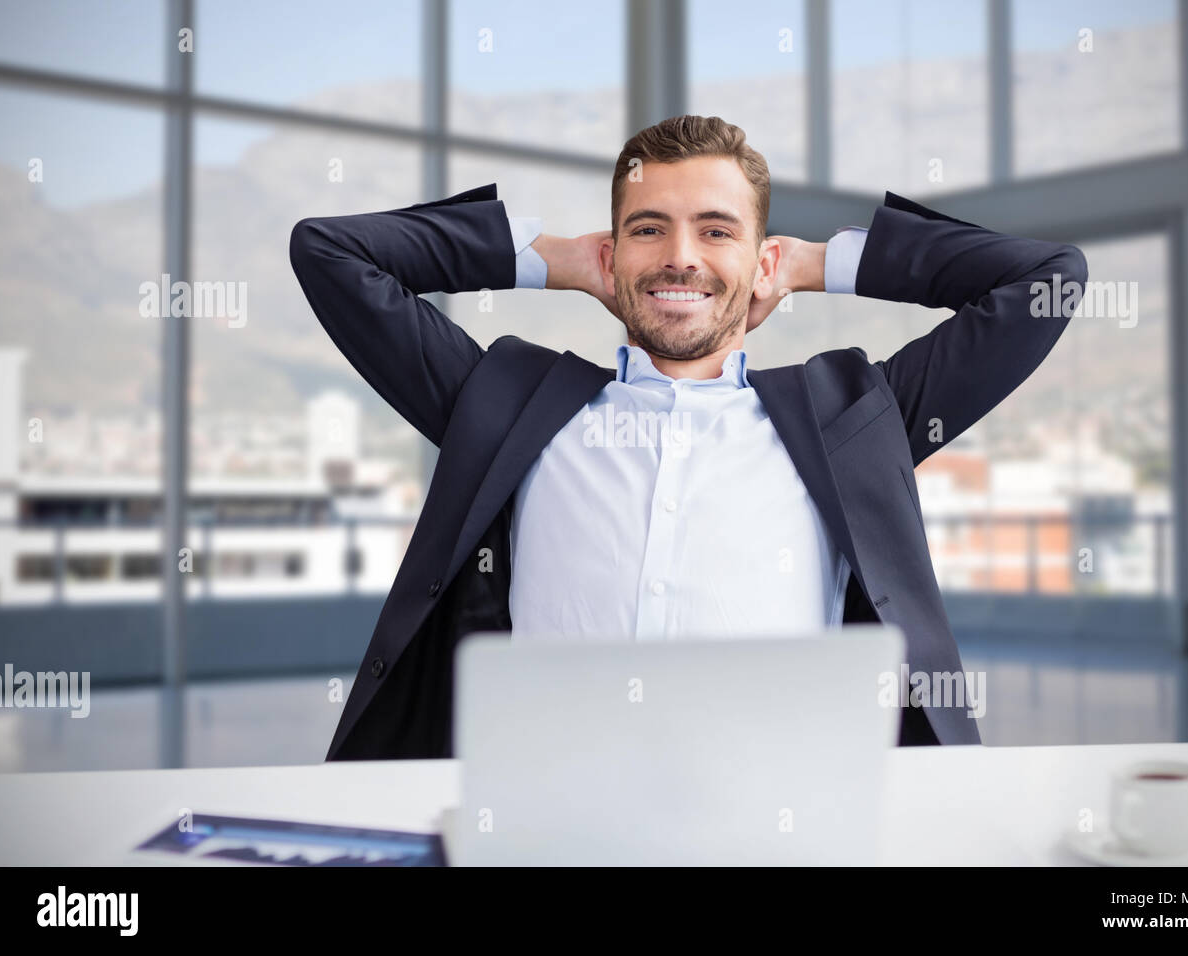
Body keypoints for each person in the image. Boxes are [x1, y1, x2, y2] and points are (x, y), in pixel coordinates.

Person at [288, 114, 1088, 760]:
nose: (679, 258)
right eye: (647, 230)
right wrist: (555, 258)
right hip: (548, 833)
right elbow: (330, 251)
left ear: (761, 257)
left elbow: (1045, 279)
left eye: (716, 231)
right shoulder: (507, 406)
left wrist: (814, 263)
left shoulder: (850, 417)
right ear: (611, 253)